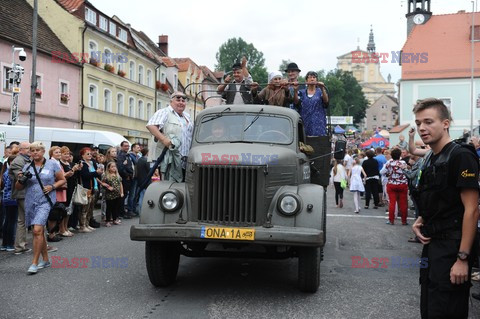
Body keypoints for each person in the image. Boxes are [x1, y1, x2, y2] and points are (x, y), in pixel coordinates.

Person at [410, 98, 479, 319]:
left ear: (446, 123)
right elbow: (440, 197)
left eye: (429, 121)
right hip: (432, 245)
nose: (422, 128)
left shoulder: (461, 156)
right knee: (430, 308)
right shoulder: (431, 157)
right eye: (419, 122)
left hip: (453, 247)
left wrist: (463, 258)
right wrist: (421, 218)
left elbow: (472, 210)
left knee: (448, 310)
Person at [15, 141, 66, 274]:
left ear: (43, 151)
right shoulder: (27, 167)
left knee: (37, 229)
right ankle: (46, 259)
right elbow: (18, 187)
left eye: (38, 150)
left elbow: (62, 180)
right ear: (30, 153)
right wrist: (20, 179)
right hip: (31, 201)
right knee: (37, 231)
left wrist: (52, 186)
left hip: (46, 201)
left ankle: (34, 262)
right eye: (32, 150)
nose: (35, 152)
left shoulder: (52, 164)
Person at [146, 91, 194, 182]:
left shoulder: (187, 116)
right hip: (169, 160)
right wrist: (164, 140)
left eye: (183, 100)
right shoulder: (164, 112)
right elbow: (151, 126)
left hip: (185, 161)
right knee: (170, 188)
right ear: (171, 101)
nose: (181, 102)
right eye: (178, 99)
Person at [9, 141, 31, 255]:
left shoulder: (26, 159)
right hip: (22, 193)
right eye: (28, 148)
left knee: (23, 220)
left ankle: (21, 246)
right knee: (22, 220)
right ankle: (19, 246)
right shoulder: (18, 161)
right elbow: (21, 178)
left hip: (26, 193)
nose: (30, 150)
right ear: (21, 150)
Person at [381, 148, 409, 225]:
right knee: (403, 203)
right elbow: (406, 171)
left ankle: (391, 220)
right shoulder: (403, 162)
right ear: (400, 155)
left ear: (391, 155)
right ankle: (404, 221)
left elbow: (382, 172)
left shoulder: (389, 162)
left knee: (392, 203)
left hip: (392, 184)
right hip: (402, 184)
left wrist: (388, 172)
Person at [78, 147, 103, 233]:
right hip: (86, 188)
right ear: (82, 155)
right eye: (87, 154)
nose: (90, 155)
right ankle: (82, 225)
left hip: (94, 187)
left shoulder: (92, 163)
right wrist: (96, 172)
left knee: (90, 208)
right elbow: (85, 175)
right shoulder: (82, 164)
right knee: (84, 209)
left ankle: (87, 224)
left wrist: (98, 172)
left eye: (90, 154)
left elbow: (95, 174)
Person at [298, 71, 329, 136]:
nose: (312, 79)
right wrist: (295, 91)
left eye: (314, 77)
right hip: (305, 122)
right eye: (310, 77)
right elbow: (296, 103)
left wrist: (322, 89)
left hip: (319, 125)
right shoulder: (301, 92)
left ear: (317, 80)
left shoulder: (320, 92)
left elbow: (326, 102)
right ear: (306, 80)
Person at [0, 156, 17, 252]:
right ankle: (10, 244)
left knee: (7, 221)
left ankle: (4, 244)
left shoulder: (5, 172)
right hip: (12, 198)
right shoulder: (11, 173)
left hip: (6, 198)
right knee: (11, 222)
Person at [101, 161, 123, 227]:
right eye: (112, 167)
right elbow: (102, 183)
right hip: (109, 194)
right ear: (108, 168)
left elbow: (120, 184)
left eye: (115, 166)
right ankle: (108, 220)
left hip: (117, 193)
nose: (114, 168)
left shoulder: (117, 175)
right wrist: (108, 187)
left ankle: (115, 219)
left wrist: (122, 192)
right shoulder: (106, 176)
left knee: (115, 207)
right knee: (109, 207)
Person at [117, 141, 134, 219]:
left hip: (129, 177)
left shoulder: (127, 155)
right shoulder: (121, 156)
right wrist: (127, 175)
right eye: (125, 146)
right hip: (124, 178)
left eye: (128, 146)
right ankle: (121, 212)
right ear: (121, 146)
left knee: (125, 195)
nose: (127, 147)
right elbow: (121, 168)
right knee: (122, 195)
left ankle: (122, 211)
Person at [134, 148, 150, 213]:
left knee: (141, 196)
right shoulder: (146, 160)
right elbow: (149, 170)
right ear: (147, 153)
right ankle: (142, 211)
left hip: (140, 180)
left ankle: (140, 210)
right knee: (144, 196)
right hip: (146, 180)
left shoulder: (139, 159)